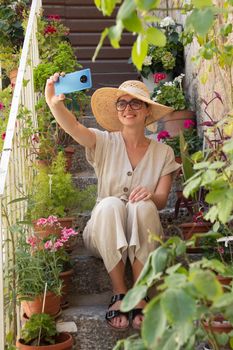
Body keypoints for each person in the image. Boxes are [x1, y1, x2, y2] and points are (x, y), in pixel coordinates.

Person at [45, 75, 181, 331]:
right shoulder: (104, 142)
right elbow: (74, 128)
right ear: (117, 111)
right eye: (122, 104)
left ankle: (140, 292)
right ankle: (120, 292)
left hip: (144, 228)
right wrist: (54, 104)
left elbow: (162, 200)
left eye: (135, 103)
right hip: (102, 232)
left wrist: (150, 196)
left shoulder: (164, 153)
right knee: (110, 205)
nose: (128, 109)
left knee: (142, 206)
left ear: (147, 111)